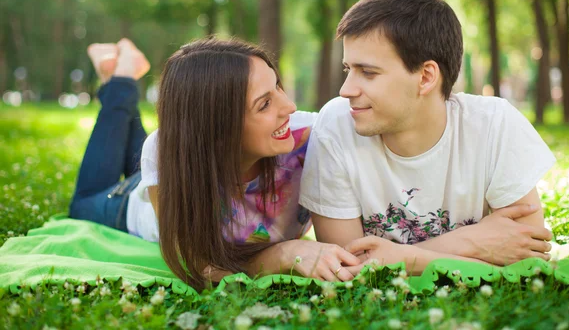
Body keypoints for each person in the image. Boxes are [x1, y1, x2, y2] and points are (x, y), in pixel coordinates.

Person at [68, 37, 368, 290]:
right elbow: (199, 267)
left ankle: (117, 80)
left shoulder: (311, 135)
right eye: (264, 104)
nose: (288, 106)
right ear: (218, 127)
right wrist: (283, 254)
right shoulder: (161, 152)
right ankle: (120, 76)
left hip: (180, 161)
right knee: (80, 206)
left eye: (278, 87)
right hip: (131, 203)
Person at [299, 0, 556, 274]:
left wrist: (397, 258)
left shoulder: (493, 124)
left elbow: (527, 253)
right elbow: (348, 267)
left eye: (368, 72)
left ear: (425, 77)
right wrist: (472, 242)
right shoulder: (336, 125)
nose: (345, 90)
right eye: (348, 69)